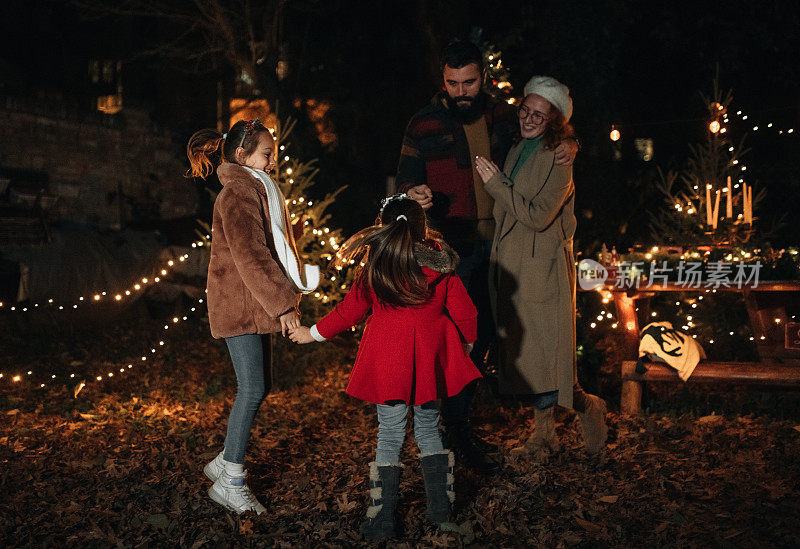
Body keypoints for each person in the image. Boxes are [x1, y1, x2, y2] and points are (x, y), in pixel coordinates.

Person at [395, 39, 579, 473]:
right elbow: (404, 180)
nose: (461, 91)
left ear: (484, 79)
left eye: (469, 82)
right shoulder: (422, 124)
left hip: (500, 246)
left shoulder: (504, 117)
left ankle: (462, 424)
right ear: (443, 80)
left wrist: (572, 141)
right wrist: (411, 194)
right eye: (452, 83)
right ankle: (450, 430)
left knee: (486, 338)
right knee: (456, 338)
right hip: (448, 249)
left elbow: (544, 138)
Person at [288, 194, 481, 539]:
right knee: (428, 431)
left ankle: (381, 519)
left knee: (389, 435)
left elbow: (348, 312)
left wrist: (311, 333)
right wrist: (464, 343)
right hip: (429, 360)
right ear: (424, 230)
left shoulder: (375, 267)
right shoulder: (441, 265)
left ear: (384, 227)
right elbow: (466, 311)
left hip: (388, 362)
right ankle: (441, 513)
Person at [187, 118, 318, 514]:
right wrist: (284, 306)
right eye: (267, 154)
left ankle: (224, 460)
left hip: (253, 306)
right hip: (242, 308)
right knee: (252, 388)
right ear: (242, 155)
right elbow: (252, 256)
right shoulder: (237, 194)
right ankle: (231, 479)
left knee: (260, 386)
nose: (273, 162)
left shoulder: (255, 187)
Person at [475, 76, 607, 460]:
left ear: (555, 122)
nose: (529, 119)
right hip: (513, 266)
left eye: (539, 115)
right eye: (525, 110)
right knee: (531, 357)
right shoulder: (520, 146)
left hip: (541, 269)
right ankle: (553, 430)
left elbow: (537, 215)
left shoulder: (558, 158)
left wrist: (496, 183)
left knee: (544, 357)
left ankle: (556, 429)